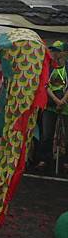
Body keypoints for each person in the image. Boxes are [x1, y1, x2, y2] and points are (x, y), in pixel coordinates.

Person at [37, 41, 68, 170]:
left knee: (66, 135)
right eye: (53, 50)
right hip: (50, 105)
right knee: (46, 134)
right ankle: (44, 159)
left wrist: (62, 101)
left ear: (64, 52)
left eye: (57, 50)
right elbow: (45, 85)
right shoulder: (48, 67)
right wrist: (56, 100)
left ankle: (66, 161)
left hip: (66, 105)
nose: (54, 53)